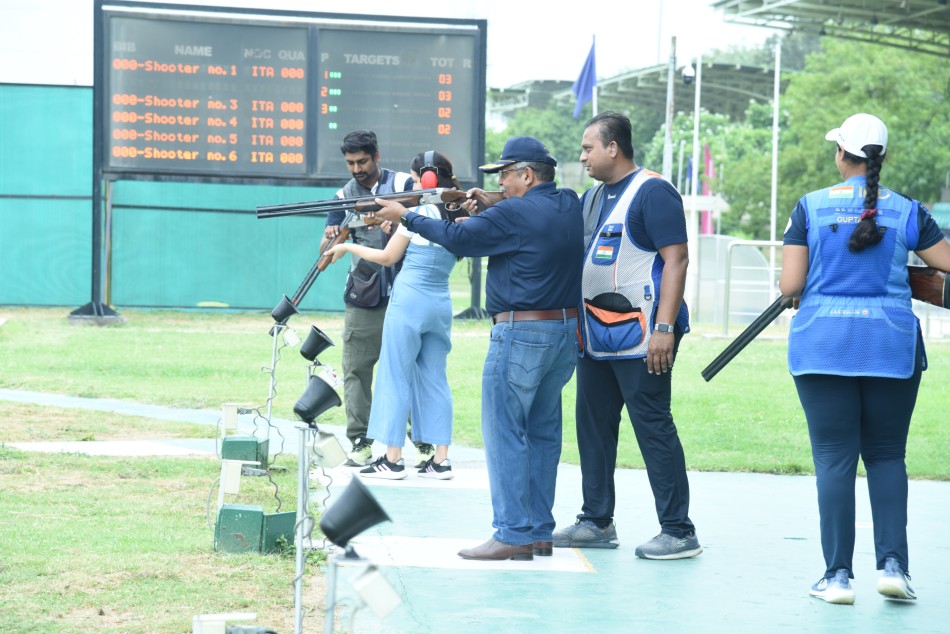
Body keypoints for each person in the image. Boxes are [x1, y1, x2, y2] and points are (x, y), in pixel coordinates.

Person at [372, 136, 584, 561]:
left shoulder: (513, 211)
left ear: (527, 174)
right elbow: (524, 227)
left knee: (505, 433)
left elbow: (458, 239)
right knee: (543, 434)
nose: (501, 182)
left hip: (520, 333)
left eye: (506, 174)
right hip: (563, 333)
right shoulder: (568, 203)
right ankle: (538, 531)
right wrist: (489, 205)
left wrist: (408, 217)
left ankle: (511, 532)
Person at [779, 113, 950, 605]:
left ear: (841, 155)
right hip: (889, 346)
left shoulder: (808, 208)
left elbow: (791, 287)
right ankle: (894, 566)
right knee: (886, 456)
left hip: (821, 346)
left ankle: (836, 577)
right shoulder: (908, 210)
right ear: (883, 158)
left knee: (834, 460)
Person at [552, 111, 701, 560]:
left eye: (588, 148)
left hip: (644, 340)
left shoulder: (653, 192)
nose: (583, 157)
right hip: (596, 337)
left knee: (653, 427)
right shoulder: (592, 197)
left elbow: (676, 261)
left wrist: (664, 328)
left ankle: (678, 530)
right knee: (593, 428)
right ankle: (596, 520)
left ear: (613, 147)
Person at [324, 151, 471, 480]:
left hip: (408, 303)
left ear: (429, 179)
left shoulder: (419, 213)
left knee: (394, 377)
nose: (415, 185)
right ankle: (441, 461)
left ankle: (392, 460)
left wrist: (347, 247)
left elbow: (388, 257)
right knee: (435, 380)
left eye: (417, 179)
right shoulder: (459, 213)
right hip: (440, 304)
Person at [321, 130, 434, 468]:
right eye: (350, 163)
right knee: (356, 368)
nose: (356, 168)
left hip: (407, 289)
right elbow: (324, 258)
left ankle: (424, 442)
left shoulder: (405, 184)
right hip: (364, 293)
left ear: (377, 156)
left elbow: (430, 218)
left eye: (363, 161)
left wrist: (399, 219)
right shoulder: (343, 195)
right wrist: (332, 236)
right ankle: (360, 441)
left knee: (412, 368)